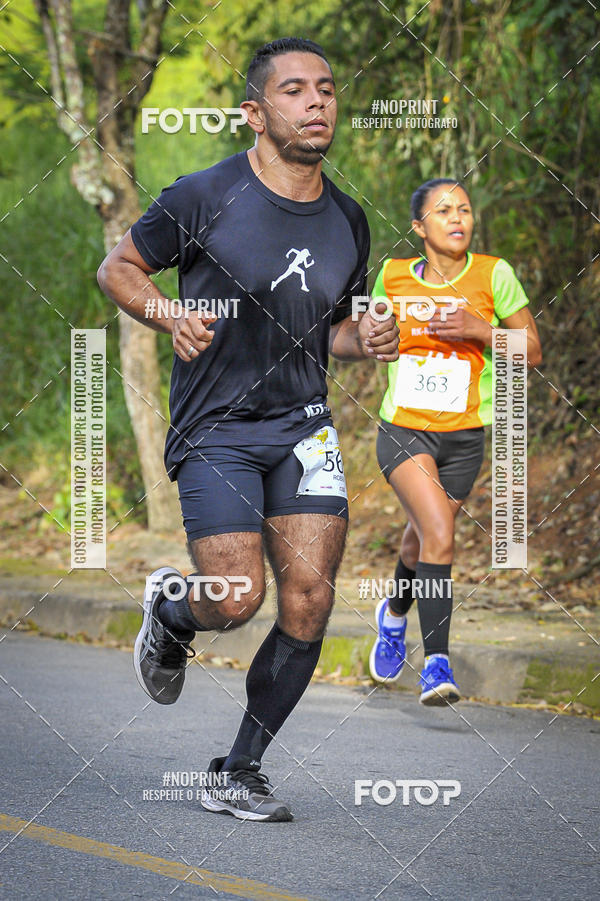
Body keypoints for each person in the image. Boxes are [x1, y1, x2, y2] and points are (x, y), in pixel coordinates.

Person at [97, 37, 398, 822]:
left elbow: (330, 327)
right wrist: (166, 313)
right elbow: (119, 268)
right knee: (235, 597)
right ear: (256, 114)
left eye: (327, 89)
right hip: (217, 427)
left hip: (303, 426)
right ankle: (172, 612)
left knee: (308, 601)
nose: (318, 102)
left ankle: (239, 768)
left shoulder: (350, 219)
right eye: (296, 90)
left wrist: (359, 340)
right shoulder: (203, 196)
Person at [368, 178, 542, 704]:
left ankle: (393, 615)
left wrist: (477, 328)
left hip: (465, 436)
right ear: (419, 227)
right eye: (443, 211)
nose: (458, 218)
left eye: (464, 209)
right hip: (404, 429)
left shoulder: (495, 274)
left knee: (420, 539)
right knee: (440, 532)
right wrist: (378, 339)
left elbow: (531, 351)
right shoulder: (392, 276)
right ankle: (437, 664)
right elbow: (367, 334)